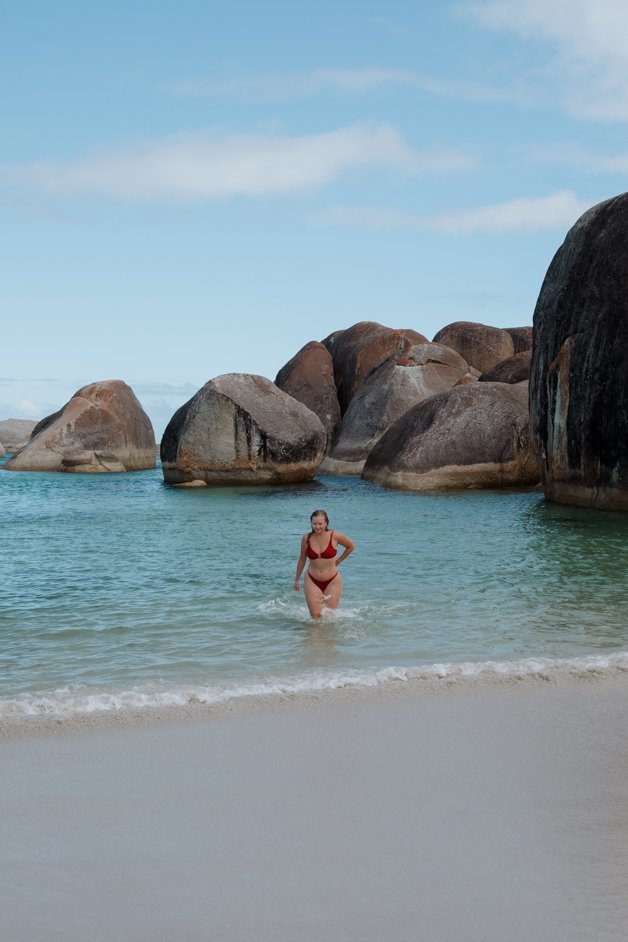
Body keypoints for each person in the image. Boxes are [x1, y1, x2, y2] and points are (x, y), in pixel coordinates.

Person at [294, 509, 355, 619]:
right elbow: (302, 558)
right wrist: (297, 579)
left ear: (326, 523)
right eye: (314, 524)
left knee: (329, 616)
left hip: (333, 580)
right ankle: (314, 636)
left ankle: (326, 637)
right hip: (312, 579)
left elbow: (351, 546)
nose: (317, 527)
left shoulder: (335, 535)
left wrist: (339, 561)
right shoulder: (306, 538)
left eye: (320, 523)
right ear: (311, 524)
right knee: (315, 616)